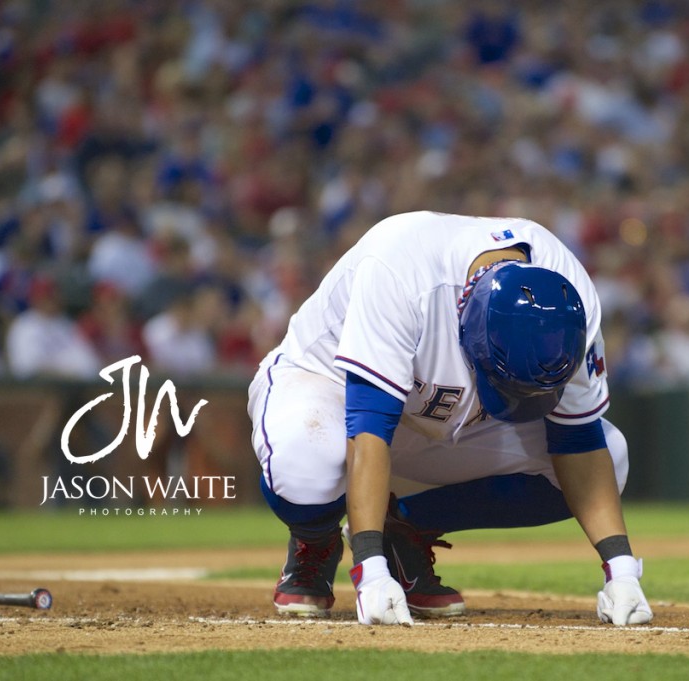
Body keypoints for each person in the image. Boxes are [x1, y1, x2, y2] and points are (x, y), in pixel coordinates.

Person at [247, 211, 653, 627]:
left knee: (612, 454)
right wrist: (369, 572)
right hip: (329, 385)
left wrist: (622, 573)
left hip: (446, 414)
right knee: (305, 463)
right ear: (470, 330)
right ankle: (315, 541)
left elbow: (578, 439)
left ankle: (405, 530)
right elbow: (367, 424)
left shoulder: (569, 299)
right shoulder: (400, 268)